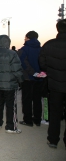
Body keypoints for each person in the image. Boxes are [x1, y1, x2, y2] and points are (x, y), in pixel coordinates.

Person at [0, 35, 24, 134]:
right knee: (11, 106)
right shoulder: (12, 54)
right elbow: (17, 70)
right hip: (10, 85)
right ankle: (11, 126)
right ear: (8, 42)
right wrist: (21, 81)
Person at [39, 19, 66, 149]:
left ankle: (53, 139)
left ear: (57, 29)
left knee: (55, 112)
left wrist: (51, 71)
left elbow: (42, 63)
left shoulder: (49, 44)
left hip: (55, 84)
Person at [18, 31, 43, 127]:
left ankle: (28, 120)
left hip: (27, 78)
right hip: (39, 79)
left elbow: (23, 63)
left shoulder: (24, 49)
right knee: (37, 99)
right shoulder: (41, 49)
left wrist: (32, 72)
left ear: (28, 37)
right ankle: (37, 119)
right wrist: (39, 73)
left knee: (26, 99)